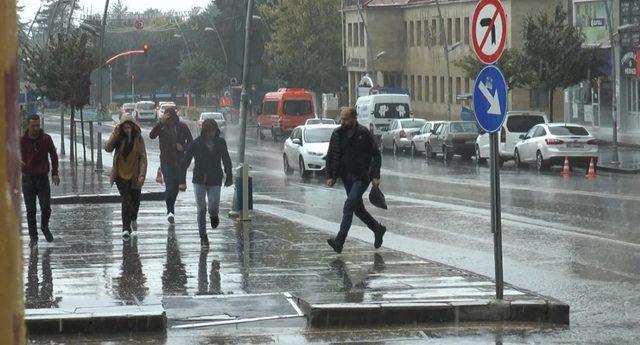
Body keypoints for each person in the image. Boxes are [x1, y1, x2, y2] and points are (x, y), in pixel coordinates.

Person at [325, 107, 386, 254]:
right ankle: (378, 229)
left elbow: (376, 155)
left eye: (346, 119)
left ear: (354, 118)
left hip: (362, 176)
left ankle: (339, 241)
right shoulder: (337, 134)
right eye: (341, 119)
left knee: (349, 205)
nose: (343, 122)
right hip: (347, 177)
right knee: (358, 210)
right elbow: (330, 155)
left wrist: (376, 176)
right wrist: (330, 176)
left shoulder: (363, 133)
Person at [179, 119, 233, 247]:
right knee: (201, 208)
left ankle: (214, 215)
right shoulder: (196, 144)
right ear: (204, 131)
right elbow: (185, 162)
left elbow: (226, 159)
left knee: (213, 207)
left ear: (216, 131)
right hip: (199, 180)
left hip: (215, 179)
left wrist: (229, 175)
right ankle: (203, 236)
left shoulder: (220, 143)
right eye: (209, 131)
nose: (211, 134)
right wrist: (181, 181)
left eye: (213, 131)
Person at [105, 114, 148, 240]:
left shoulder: (138, 139)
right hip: (120, 175)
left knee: (135, 201)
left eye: (129, 127)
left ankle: (133, 218)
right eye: (125, 127)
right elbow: (107, 148)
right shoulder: (118, 137)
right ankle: (125, 228)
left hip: (134, 176)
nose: (127, 130)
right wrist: (114, 134)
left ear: (133, 127)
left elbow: (143, 158)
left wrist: (141, 175)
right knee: (126, 199)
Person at [21, 114, 60, 246]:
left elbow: (53, 156)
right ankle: (33, 237)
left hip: (42, 178)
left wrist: (55, 173)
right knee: (30, 209)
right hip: (27, 179)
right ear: (28, 125)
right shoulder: (22, 140)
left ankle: (44, 226)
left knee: (46, 207)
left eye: (38, 125)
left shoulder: (46, 139)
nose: (36, 128)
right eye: (33, 126)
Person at [150, 107, 192, 224]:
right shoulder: (162, 127)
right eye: (166, 116)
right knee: (169, 183)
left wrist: (183, 147)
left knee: (175, 186)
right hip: (166, 161)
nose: (169, 119)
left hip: (179, 161)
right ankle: (170, 211)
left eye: (170, 116)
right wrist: (160, 123)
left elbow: (191, 142)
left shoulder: (182, 127)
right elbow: (152, 135)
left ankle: (171, 206)